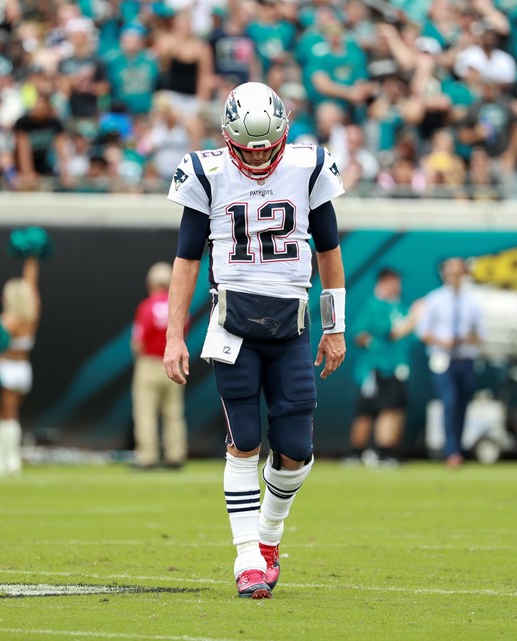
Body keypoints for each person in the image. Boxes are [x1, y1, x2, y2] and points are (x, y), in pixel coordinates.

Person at [162, 82, 347, 600]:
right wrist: (174, 334)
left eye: (269, 145)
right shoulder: (207, 171)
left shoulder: (309, 165)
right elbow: (186, 259)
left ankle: (268, 537)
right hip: (232, 323)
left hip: (291, 322)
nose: (261, 156)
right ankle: (247, 558)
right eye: (249, 147)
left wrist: (336, 326)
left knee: (296, 449)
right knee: (243, 441)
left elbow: (329, 253)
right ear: (227, 137)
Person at [0, 227, 51, 477]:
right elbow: (32, 285)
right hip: (24, 370)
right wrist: (32, 260)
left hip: (9, 368)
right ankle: (0, 457)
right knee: (11, 415)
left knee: (6, 415)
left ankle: (8, 460)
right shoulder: (31, 313)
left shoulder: (9, 319)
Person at [415, 257, 488, 469]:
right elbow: (423, 332)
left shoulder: (473, 301)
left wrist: (468, 338)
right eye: (450, 273)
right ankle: (452, 450)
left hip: (465, 358)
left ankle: (458, 445)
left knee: (463, 403)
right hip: (443, 358)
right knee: (450, 401)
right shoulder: (435, 299)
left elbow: (482, 333)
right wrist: (443, 341)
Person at [345, 268, 421, 468]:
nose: (397, 286)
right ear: (383, 282)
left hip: (398, 367)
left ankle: (387, 452)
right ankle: (371, 452)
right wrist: (374, 343)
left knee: (396, 408)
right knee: (377, 410)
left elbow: (410, 337)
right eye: (392, 281)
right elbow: (361, 335)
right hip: (377, 368)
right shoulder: (374, 306)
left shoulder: (400, 307)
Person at [130, 261, 189, 470]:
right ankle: (176, 456)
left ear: (150, 283)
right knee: (173, 413)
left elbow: (138, 341)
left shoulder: (146, 307)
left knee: (145, 413)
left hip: (149, 363)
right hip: (174, 362)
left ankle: (148, 457)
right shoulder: (179, 308)